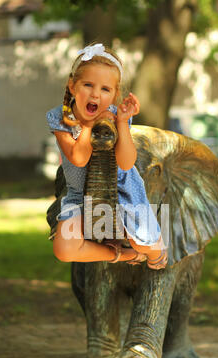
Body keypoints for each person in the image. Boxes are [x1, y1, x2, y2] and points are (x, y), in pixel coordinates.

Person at [46, 43, 168, 269]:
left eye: (105, 89)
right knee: (64, 249)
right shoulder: (61, 118)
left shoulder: (115, 116)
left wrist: (121, 122)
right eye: (88, 85)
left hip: (122, 190)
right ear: (72, 86)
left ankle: (154, 247)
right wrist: (90, 125)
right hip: (79, 196)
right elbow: (79, 158)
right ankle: (124, 255)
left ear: (114, 95)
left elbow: (126, 162)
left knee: (142, 242)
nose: (95, 93)